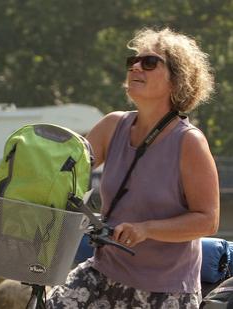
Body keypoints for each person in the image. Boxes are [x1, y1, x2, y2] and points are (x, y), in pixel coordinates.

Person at [46, 28, 219, 308]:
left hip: (166, 290)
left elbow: (208, 221)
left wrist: (146, 229)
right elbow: (65, 173)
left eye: (150, 63)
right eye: (133, 62)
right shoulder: (112, 126)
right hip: (104, 272)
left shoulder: (189, 142)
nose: (136, 67)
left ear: (177, 80)